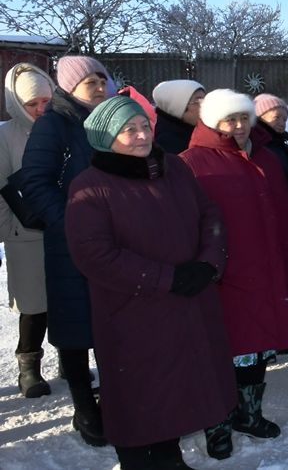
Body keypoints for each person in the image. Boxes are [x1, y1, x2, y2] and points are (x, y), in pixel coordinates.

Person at [65, 96, 235, 470]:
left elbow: (210, 214)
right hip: (133, 313)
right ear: (105, 137)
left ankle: (169, 459)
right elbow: (95, 256)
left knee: (178, 390)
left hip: (186, 303)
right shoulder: (90, 187)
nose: (142, 135)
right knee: (140, 395)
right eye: (129, 130)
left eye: (144, 125)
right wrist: (167, 278)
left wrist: (207, 264)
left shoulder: (172, 167)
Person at [180, 89, 288, 459]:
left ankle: (249, 414)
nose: (238, 126)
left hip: (267, 268)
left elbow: (284, 209)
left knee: (257, 349)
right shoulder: (191, 162)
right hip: (223, 275)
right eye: (229, 120)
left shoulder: (265, 156)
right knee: (223, 353)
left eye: (243, 118)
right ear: (212, 121)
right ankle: (217, 424)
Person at [21, 55, 112, 446]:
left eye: (102, 79)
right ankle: (84, 407)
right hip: (71, 242)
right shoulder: (53, 124)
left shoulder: (110, 121)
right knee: (75, 326)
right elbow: (36, 183)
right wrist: (72, 224)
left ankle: (114, 398)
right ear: (70, 87)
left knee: (114, 324)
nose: (100, 87)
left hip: (115, 240)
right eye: (91, 81)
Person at [0, 63, 55, 398]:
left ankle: (70, 354)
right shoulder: (5, 135)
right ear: (18, 103)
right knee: (33, 303)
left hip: (61, 227)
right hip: (24, 233)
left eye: (46, 101)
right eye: (33, 104)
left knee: (66, 298)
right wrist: (9, 230)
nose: (41, 109)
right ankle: (29, 367)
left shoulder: (61, 127)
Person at [254, 92, 288, 200]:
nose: (282, 123)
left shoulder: (284, 147)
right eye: (276, 117)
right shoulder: (255, 146)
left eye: (284, 119)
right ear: (260, 117)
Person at [152, 80, 205, 155]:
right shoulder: (169, 145)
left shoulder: (202, 131)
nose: (205, 105)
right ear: (178, 108)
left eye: (204, 99)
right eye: (197, 101)